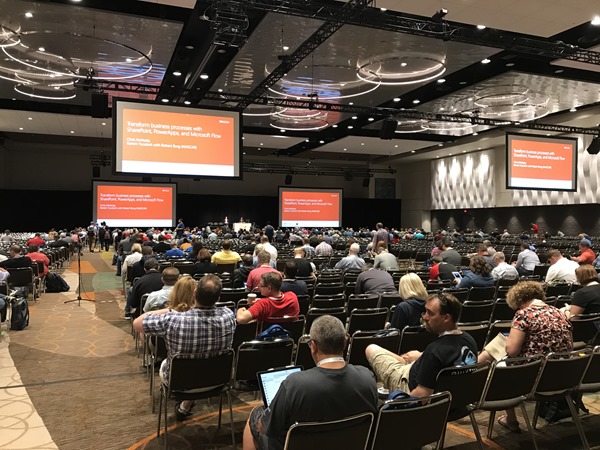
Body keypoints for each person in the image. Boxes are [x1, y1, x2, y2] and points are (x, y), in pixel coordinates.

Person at [244, 315, 378, 450]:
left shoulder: (294, 384)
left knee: (256, 415)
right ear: (345, 342)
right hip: (349, 444)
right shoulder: (367, 377)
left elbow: (264, 428)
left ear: (313, 346)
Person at [134, 274, 236, 421]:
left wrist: (168, 310)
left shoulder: (173, 320)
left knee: (177, 363)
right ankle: (184, 407)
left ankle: (184, 405)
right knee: (201, 362)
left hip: (179, 383)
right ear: (218, 298)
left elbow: (137, 323)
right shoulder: (228, 316)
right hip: (218, 381)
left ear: (195, 293)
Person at [478, 281, 572, 432]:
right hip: (562, 378)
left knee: (499, 362)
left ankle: (511, 419)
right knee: (503, 343)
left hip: (534, 380)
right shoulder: (559, 313)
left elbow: (512, 351)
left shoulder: (524, 314)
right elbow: (570, 346)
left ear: (519, 300)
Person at [366, 293, 477, 397]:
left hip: (407, 383)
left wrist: (399, 403)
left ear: (446, 318)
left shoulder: (434, 351)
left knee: (371, 348)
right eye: (425, 311)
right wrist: (421, 356)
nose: (425, 317)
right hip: (455, 397)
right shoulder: (469, 340)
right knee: (406, 357)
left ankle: (388, 387)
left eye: (430, 313)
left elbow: (421, 395)